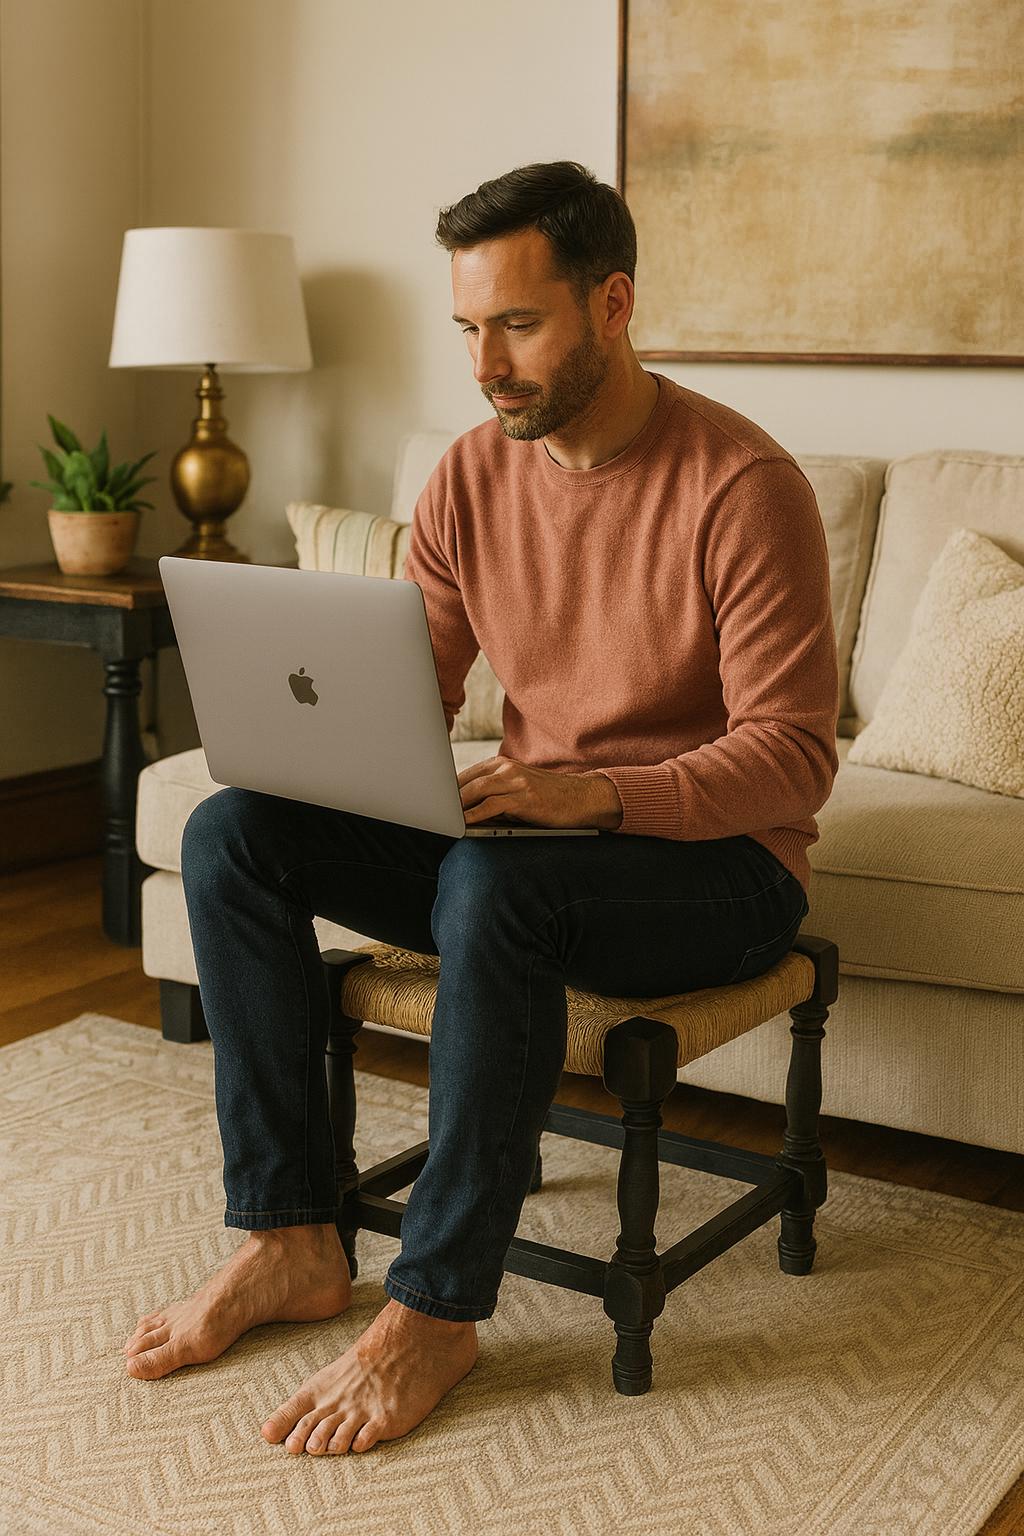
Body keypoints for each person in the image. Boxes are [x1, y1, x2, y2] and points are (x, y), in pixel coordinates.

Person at [122, 161, 839, 1455]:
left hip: (722, 869)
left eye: (518, 324)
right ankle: (289, 1235)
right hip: (525, 850)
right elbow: (416, 690)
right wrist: (320, 746)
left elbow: (793, 760)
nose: (486, 362)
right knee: (232, 833)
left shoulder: (743, 486)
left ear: (613, 303)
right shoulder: (466, 480)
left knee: (493, 886)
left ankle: (437, 1312)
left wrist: (596, 793)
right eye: (467, 328)